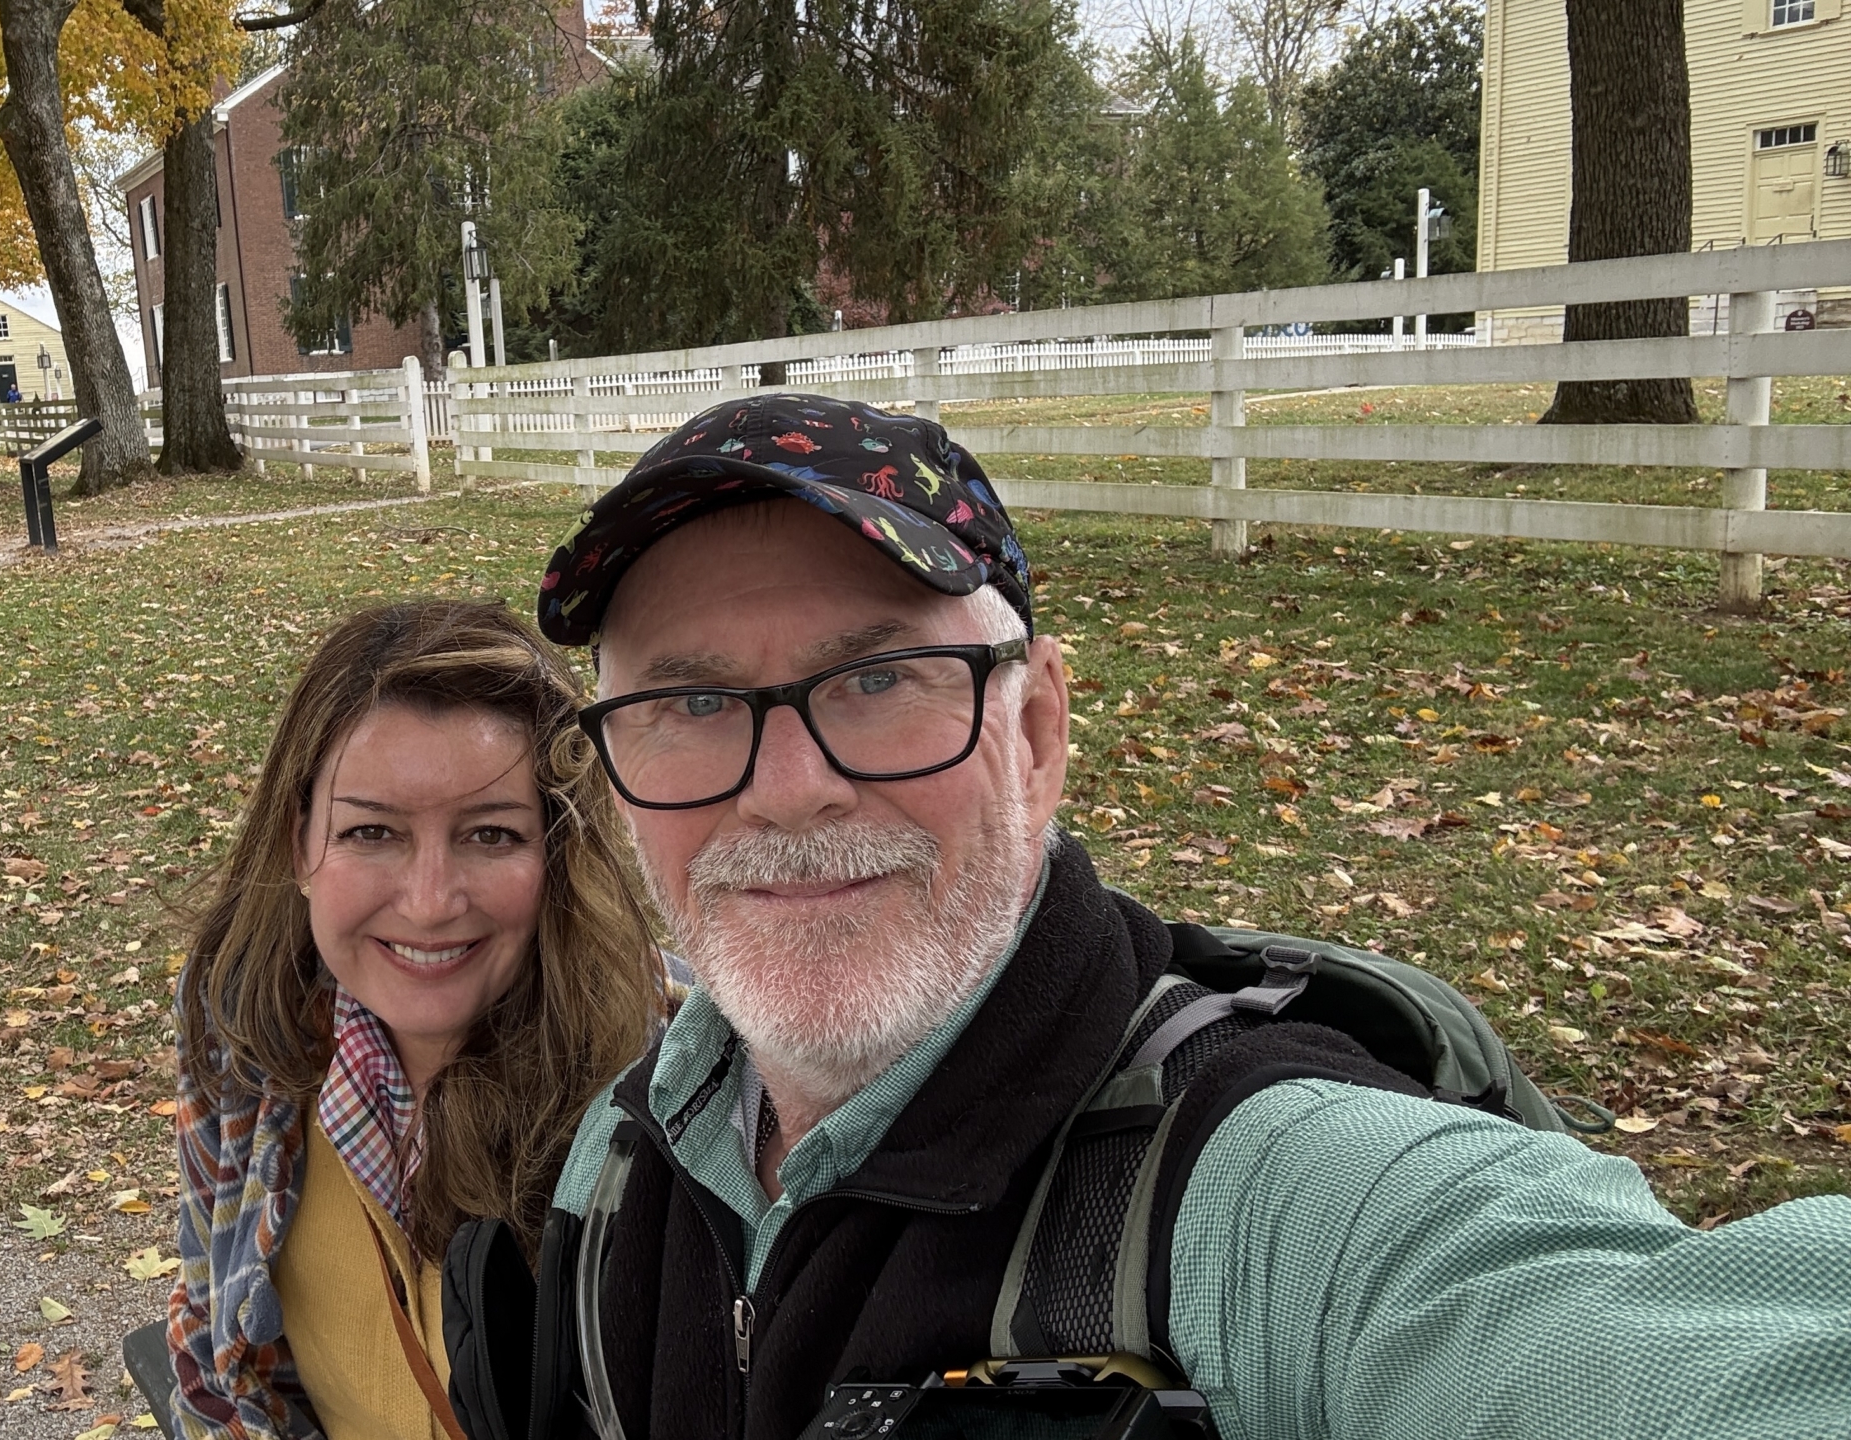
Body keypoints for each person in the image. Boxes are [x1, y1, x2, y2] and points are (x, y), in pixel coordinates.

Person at [459, 393, 1851, 1440]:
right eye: (692, 705)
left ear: (1041, 728)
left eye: (879, 681)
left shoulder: (1259, 1186)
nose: (787, 789)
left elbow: (1620, 1344)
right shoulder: (632, 1148)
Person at [154, 599, 668, 1440]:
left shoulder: (663, 1093)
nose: (430, 903)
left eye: (491, 836)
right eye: (372, 831)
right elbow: (213, 1329)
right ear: (300, 845)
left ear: (559, 852)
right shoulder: (239, 1024)